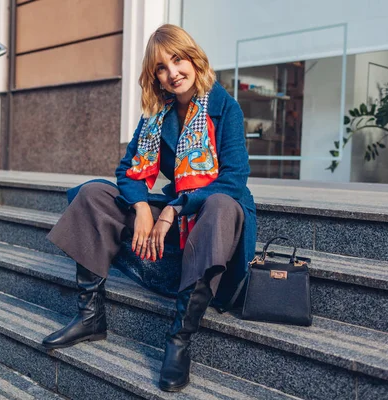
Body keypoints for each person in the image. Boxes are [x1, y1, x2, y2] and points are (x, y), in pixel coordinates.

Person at [42, 24, 256, 392]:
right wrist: (142, 207)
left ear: (193, 58)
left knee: (221, 204)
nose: (172, 73)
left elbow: (235, 179)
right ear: (154, 75)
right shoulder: (157, 114)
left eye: (177, 60)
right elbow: (126, 172)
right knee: (93, 193)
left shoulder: (225, 108)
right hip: (179, 211)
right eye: (161, 67)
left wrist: (172, 209)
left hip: (216, 217)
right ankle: (91, 316)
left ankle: (178, 340)